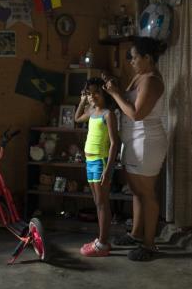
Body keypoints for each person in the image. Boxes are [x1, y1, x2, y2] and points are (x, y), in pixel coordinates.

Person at [103, 36, 168, 261]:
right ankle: (135, 234)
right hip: (133, 140)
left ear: (147, 58)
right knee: (137, 191)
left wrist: (115, 94)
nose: (130, 61)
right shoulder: (140, 77)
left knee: (147, 193)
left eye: (134, 57)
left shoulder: (152, 81)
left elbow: (136, 113)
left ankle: (150, 245)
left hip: (147, 141)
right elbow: (127, 104)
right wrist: (114, 88)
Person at [75, 77, 120, 256]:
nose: (92, 96)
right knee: (97, 202)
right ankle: (102, 240)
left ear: (103, 93)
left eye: (96, 92)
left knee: (102, 203)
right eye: (89, 93)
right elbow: (78, 118)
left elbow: (115, 143)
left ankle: (102, 243)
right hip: (89, 162)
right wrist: (82, 101)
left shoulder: (107, 114)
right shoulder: (92, 111)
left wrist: (108, 169)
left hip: (101, 162)